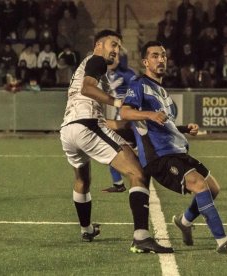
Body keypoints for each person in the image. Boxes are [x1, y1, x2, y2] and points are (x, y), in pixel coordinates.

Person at [120, 41, 227, 255]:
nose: (161, 60)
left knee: (213, 189)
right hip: (159, 156)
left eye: (163, 56)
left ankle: (185, 222)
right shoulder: (138, 84)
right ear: (145, 61)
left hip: (176, 151)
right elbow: (125, 112)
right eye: (155, 56)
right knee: (199, 185)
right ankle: (223, 242)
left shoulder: (163, 92)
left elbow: (163, 124)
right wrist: (149, 114)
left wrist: (185, 128)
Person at [59, 30, 173, 254]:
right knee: (137, 172)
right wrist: (118, 102)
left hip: (68, 131)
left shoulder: (86, 69)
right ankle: (141, 237)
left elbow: (93, 108)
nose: (116, 50)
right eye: (113, 44)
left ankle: (87, 229)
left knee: (83, 179)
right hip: (86, 126)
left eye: (119, 47)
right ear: (98, 45)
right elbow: (87, 89)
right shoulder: (96, 61)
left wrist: (130, 129)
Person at [101, 53, 136, 193]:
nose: (112, 60)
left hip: (126, 116)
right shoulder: (108, 74)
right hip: (120, 115)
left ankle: (124, 182)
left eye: (115, 58)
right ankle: (118, 183)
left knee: (113, 149)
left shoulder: (128, 74)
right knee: (112, 149)